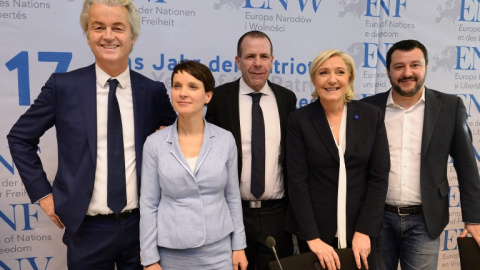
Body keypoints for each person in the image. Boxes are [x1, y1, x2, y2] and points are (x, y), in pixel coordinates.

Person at [6, 0, 176, 269]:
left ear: (132, 38)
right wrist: (43, 195)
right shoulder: (63, 87)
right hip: (86, 231)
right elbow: (19, 138)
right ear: (88, 35)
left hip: (142, 228)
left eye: (118, 28)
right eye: (99, 27)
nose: (108, 35)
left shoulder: (152, 92)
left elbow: (179, 137)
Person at [362, 39, 480, 270]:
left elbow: (466, 166)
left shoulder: (450, 106)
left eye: (415, 65)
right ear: (388, 71)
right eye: (399, 67)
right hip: (376, 219)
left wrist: (474, 218)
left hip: (425, 220)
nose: (407, 73)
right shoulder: (368, 108)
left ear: (425, 67)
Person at [285, 50, 390, 270]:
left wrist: (364, 230)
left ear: (349, 78)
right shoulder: (299, 120)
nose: (332, 79)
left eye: (340, 72)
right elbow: (297, 182)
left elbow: (378, 177)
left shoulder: (371, 116)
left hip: (359, 235)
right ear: (314, 79)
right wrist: (312, 238)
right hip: (317, 237)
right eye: (323, 73)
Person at [139, 60, 248, 270]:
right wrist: (149, 258)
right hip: (171, 254)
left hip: (219, 252)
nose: (182, 93)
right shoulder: (155, 143)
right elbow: (149, 205)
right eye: (177, 86)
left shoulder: (225, 139)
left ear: (208, 95)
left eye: (193, 86)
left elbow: (232, 197)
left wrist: (239, 247)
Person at [205, 30, 296, 270]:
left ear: (272, 60)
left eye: (264, 56)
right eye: (250, 56)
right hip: (233, 212)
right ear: (238, 61)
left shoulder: (287, 99)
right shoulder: (219, 99)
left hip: (276, 214)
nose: (257, 63)